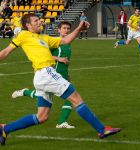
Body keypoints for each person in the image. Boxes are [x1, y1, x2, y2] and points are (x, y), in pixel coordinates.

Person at [0, 13, 121, 146]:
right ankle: (101, 130)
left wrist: (79, 27)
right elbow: (5, 52)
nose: (40, 22)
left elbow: (65, 40)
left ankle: (5, 129)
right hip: (45, 73)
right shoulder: (23, 35)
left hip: (43, 76)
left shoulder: (44, 38)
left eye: (39, 20)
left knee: (42, 117)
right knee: (76, 98)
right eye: (36, 21)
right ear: (28, 25)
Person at [12, 21, 75, 129]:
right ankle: (61, 122)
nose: (66, 30)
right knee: (71, 98)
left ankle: (25, 92)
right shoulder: (54, 42)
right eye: (64, 28)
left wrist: (67, 73)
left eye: (68, 28)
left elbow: (66, 60)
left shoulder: (67, 44)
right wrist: (59, 59)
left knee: (52, 96)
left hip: (62, 73)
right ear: (58, 30)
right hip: (52, 73)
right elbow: (45, 53)